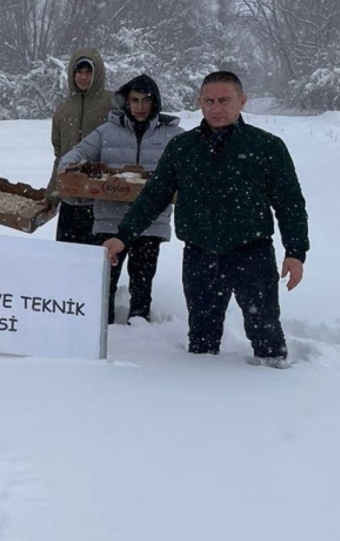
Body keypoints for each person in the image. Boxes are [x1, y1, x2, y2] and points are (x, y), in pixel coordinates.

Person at [102, 71, 309, 367]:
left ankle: (273, 390)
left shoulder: (266, 147)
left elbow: (290, 204)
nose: (216, 107)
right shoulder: (183, 147)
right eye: (209, 100)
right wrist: (123, 236)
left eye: (224, 100)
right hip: (200, 256)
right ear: (199, 102)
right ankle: (201, 400)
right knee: (201, 340)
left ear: (242, 101)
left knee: (265, 333)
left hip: (252, 255)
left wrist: (295, 252)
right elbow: (153, 196)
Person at [58, 74, 183, 324]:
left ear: (155, 103)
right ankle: (102, 325)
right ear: (125, 102)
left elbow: (193, 164)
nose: (139, 106)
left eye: (145, 101)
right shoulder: (107, 130)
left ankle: (139, 328)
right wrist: (70, 165)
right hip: (109, 220)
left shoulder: (173, 134)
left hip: (151, 222)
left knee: (142, 279)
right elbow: (77, 153)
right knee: (106, 280)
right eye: (134, 100)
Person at [49, 48, 112, 243]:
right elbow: (59, 155)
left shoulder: (112, 104)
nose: (83, 77)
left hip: (100, 201)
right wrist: (52, 193)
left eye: (89, 72)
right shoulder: (63, 108)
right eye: (79, 72)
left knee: (97, 265)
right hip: (70, 198)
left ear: (98, 73)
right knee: (66, 261)